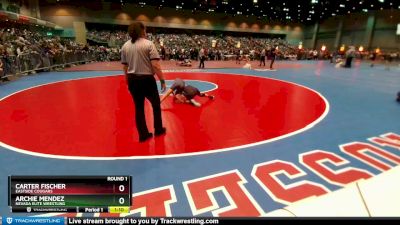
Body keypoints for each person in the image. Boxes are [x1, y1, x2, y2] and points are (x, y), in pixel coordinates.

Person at [121, 22, 166, 142]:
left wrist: (127, 80)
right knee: (156, 105)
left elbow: (125, 67)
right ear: (142, 31)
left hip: (132, 80)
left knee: (139, 108)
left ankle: (143, 134)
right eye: (145, 30)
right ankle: (158, 129)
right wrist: (162, 79)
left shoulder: (125, 46)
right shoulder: (148, 44)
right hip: (146, 80)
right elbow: (155, 65)